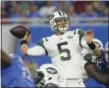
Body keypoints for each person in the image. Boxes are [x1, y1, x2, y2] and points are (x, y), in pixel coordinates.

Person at [20, 10, 109, 87]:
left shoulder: (76, 33)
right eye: (59, 21)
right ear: (52, 23)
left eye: (64, 20)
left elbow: (97, 53)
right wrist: (23, 40)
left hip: (77, 80)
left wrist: (91, 43)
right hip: (61, 81)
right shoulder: (47, 41)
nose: (62, 23)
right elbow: (26, 51)